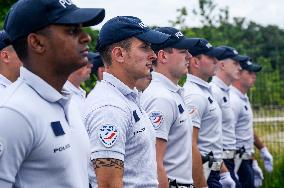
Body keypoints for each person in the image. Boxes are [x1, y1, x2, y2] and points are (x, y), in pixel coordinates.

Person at [0, 0, 105, 187]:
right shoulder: (12, 113)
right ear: (37, 42)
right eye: (72, 30)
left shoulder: (67, 102)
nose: (86, 38)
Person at [83, 16, 170, 188]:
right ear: (119, 54)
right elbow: (108, 184)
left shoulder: (126, 98)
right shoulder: (110, 108)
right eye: (144, 47)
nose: (153, 55)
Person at [141, 27, 196, 188]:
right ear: (163, 56)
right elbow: (154, 162)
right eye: (183, 51)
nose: (189, 56)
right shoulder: (161, 98)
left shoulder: (171, 93)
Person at [183, 39, 234, 188]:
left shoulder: (205, 91)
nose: (216, 61)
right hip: (203, 173)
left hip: (213, 169)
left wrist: (223, 172)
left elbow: (212, 143)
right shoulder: (194, 95)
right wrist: (202, 184)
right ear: (195, 62)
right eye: (210, 57)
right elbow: (191, 144)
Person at [230, 57, 273, 188]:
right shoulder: (232, 100)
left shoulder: (243, 97)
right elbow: (229, 136)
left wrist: (261, 151)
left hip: (245, 159)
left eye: (254, 73)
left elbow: (245, 132)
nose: (254, 76)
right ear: (237, 74)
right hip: (235, 161)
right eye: (249, 72)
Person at [209, 46, 246, 187]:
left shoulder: (225, 91)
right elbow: (207, 138)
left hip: (229, 158)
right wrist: (223, 171)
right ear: (222, 65)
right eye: (235, 63)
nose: (240, 68)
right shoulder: (214, 91)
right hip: (219, 159)